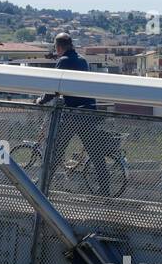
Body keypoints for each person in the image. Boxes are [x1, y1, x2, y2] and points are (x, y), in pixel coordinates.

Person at [36, 32, 110, 195]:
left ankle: (43, 187)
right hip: (89, 111)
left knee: (55, 150)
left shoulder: (63, 61)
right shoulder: (82, 60)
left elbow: (54, 88)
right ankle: (105, 190)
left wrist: (41, 100)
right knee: (95, 153)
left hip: (73, 114)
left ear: (59, 47)